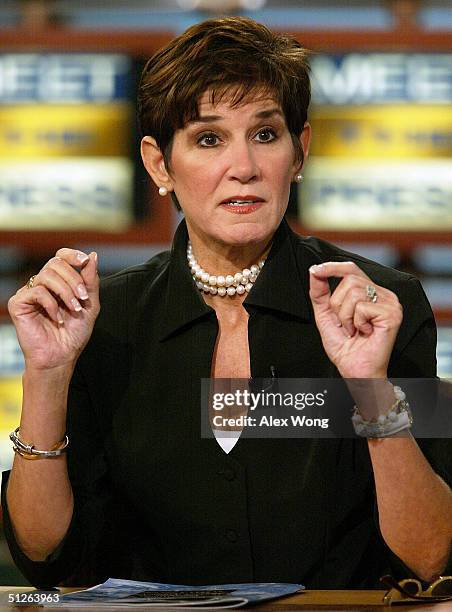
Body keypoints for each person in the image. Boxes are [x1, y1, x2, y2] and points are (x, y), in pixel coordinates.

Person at [2, 16, 451, 590]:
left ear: (300, 150)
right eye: (209, 138)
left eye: (265, 134)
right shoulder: (103, 322)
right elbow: (43, 556)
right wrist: (47, 373)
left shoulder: (387, 308)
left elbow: (430, 557)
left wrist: (368, 386)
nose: (244, 167)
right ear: (159, 164)